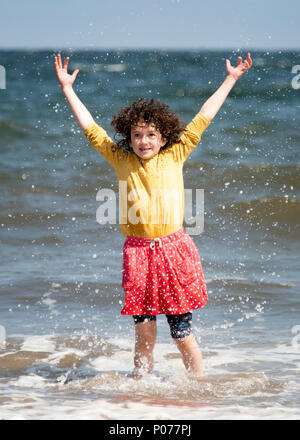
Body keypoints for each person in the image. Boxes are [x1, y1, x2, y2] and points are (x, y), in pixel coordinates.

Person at [54, 52, 252, 376]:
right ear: (128, 138)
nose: (143, 141)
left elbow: (204, 117)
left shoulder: (176, 153)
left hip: (174, 251)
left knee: (181, 333)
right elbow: (91, 130)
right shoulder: (121, 159)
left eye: (150, 135)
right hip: (138, 254)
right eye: (136, 135)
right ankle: (140, 390)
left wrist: (231, 78)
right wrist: (67, 89)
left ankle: (198, 386)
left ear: (163, 137)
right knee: (143, 335)